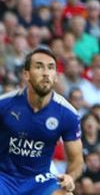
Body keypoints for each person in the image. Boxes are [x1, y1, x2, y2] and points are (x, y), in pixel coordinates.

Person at [0, 47, 84, 195]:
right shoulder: (5, 104)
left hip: (38, 180)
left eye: (51, 68)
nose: (46, 73)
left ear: (56, 76)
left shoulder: (67, 114)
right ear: (27, 74)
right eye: (39, 67)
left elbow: (77, 161)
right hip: (4, 177)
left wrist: (70, 177)